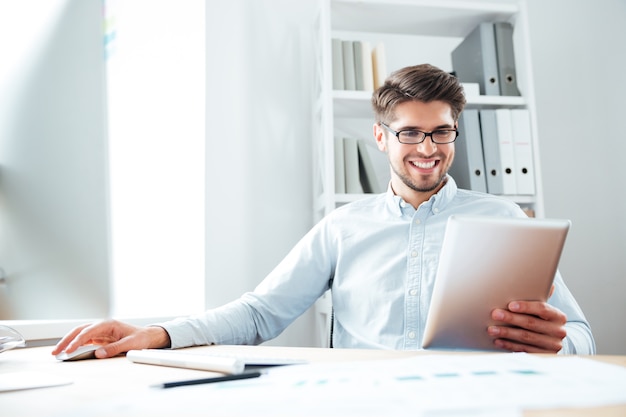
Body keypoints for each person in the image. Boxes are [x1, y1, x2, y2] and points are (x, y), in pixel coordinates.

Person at [52, 64, 595, 359]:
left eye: (441, 132)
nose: (428, 149)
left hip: (481, 401)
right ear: (381, 137)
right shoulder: (343, 228)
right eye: (410, 133)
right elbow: (260, 314)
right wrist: (161, 333)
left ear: (455, 132)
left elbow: (582, 333)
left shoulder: (504, 217)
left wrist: (561, 343)